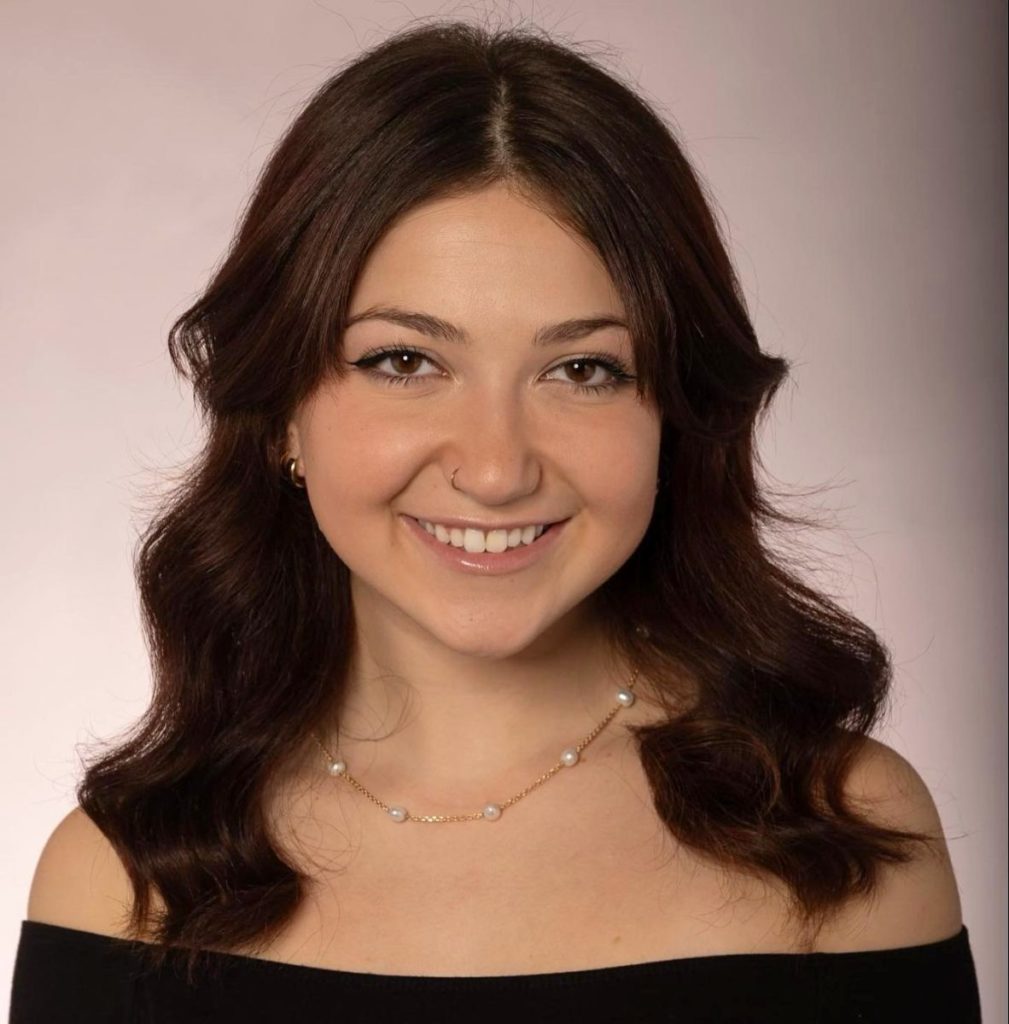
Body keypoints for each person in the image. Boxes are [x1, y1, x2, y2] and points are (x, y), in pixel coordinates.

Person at [10, 17, 982, 1023]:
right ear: (279, 415)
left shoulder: (837, 839)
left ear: (675, 417)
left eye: (581, 369)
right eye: (405, 361)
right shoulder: (123, 884)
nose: (494, 466)